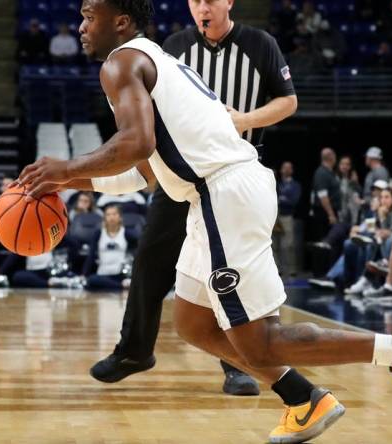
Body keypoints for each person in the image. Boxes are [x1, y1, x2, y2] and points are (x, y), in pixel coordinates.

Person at [17, 1, 392, 442]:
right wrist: (73, 183)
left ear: (121, 22)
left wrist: (66, 168)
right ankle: (304, 399)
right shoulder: (158, 60)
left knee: (259, 340)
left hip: (223, 195)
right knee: (194, 324)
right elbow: (147, 169)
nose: (81, 26)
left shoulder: (122, 62)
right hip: (213, 196)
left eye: (90, 16)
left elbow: (135, 142)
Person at [88, 0, 298, 397]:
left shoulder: (260, 43)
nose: (202, 6)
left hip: (230, 174)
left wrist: (244, 120)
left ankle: (238, 366)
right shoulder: (172, 47)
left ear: (228, 3)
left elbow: (289, 101)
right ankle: (134, 350)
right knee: (151, 258)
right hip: (182, 173)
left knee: (226, 276)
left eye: (210, 0)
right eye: (195, 0)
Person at [83, 204, 139, 290]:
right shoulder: (98, 233)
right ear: (104, 218)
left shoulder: (126, 233)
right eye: (108, 214)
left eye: (114, 214)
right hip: (102, 274)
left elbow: (139, 246)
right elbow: (91, 255)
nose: (111, 217)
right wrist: (84, 274)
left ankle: (117, 285)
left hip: (119, 274)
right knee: (91, 280)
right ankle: (120, 286)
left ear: (120, 217)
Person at [275, 161, 301, 277]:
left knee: (289, 244)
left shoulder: (295, 185)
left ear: (292, 170)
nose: (286, 170)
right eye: (284, 168)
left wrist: (281, 199)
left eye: (288, 168)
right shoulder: (276, 184)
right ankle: (277, 268)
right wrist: (283, 198)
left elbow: (293, 201)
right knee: (274, 244)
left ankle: (292, 269)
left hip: (287, 216)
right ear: (281, 170)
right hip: (275, 216)